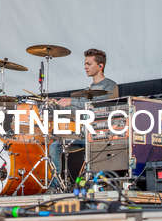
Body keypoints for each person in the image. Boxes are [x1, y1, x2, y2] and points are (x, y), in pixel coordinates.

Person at [49, 49, 119, 188]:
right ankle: (56, 186)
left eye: (89, 64)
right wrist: (57, 105)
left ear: (100, 66)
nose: (85, 67)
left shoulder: (110, 86)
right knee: (54, 145)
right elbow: (79, 110)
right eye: (85, 64)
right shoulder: (88, 90)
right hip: (84, 134)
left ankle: (95, 183)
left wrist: (71, 101)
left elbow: (95, 105)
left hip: (102, 135)